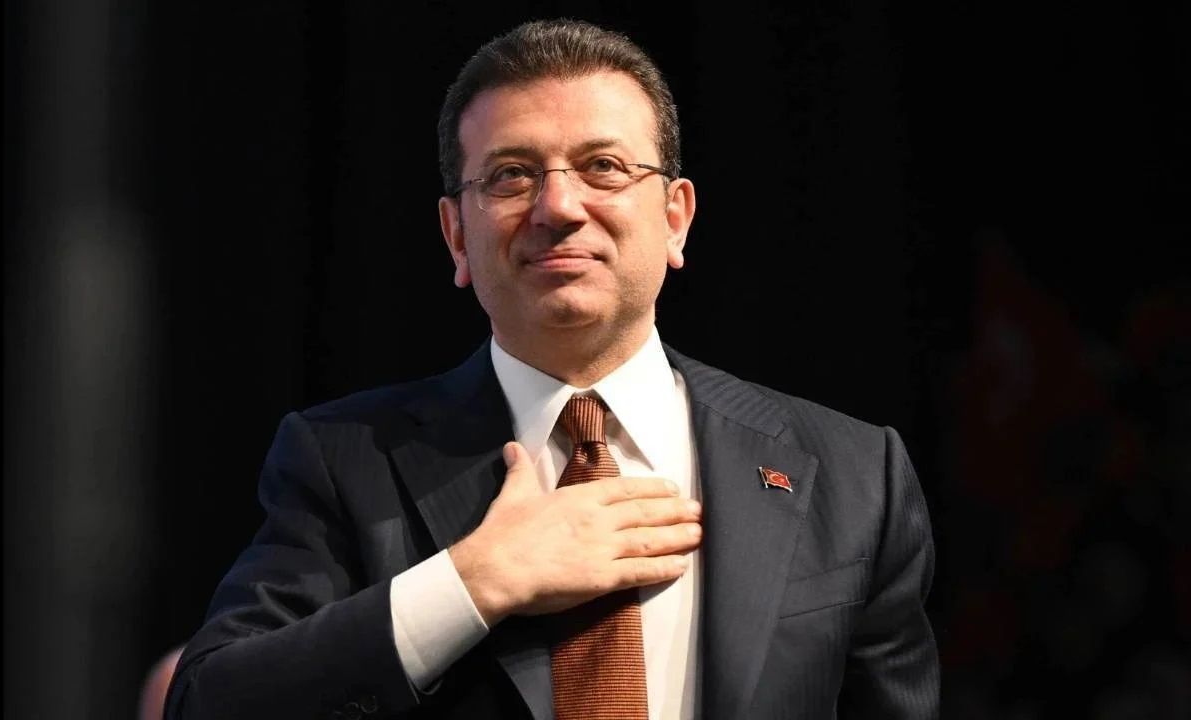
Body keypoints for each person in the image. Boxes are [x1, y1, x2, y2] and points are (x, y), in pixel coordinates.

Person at [164, 18, 939, 720]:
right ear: (456, 236)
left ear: (675, 217)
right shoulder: (342, 462)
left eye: (603, 166)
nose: (559, 206)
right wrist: (472, 582)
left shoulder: (855, 476)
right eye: (511, 175)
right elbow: (210, 703)